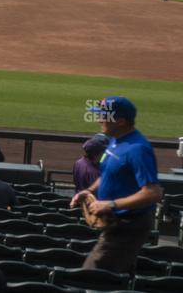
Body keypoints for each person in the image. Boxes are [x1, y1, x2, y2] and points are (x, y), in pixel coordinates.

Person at [70, 96, 163, 273]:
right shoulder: (115, 141)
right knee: (115, 275)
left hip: (129, 224)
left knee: (91, 276)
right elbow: (108, 174)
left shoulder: (137, 149)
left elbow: (153, 193)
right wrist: (89, 191)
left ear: (120, 121)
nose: (99, 120)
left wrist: (110, 204)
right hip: (116, 222)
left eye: (103, 116)